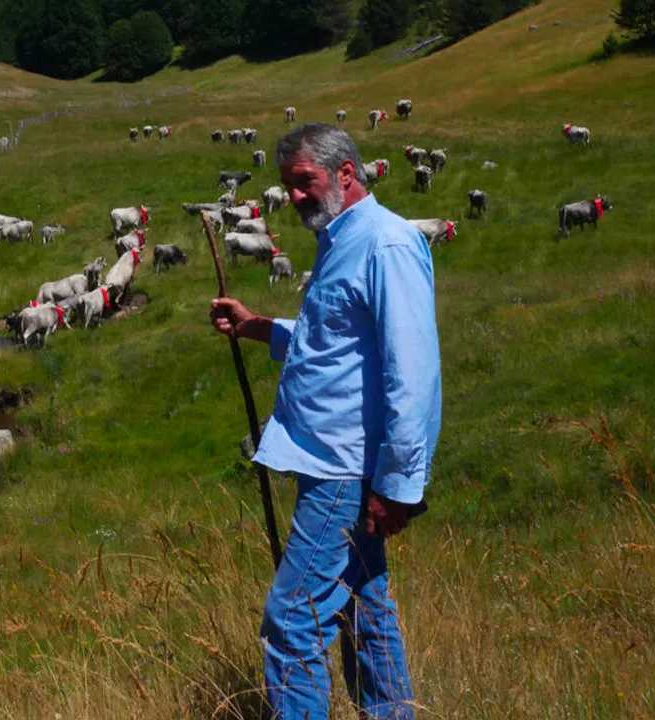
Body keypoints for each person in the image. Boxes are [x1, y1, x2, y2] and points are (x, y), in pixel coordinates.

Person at [209, 123, 441, 720]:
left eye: (304, 182)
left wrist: (397, 486)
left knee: (292, 621)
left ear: (345, 173)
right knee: (366, 609)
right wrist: (258, 325)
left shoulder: (385, 244)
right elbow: (333, 345)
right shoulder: (339, 240)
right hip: (333, 467)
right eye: (287, 186)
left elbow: (410, 374)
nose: (294, 197)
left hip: (344, 472)